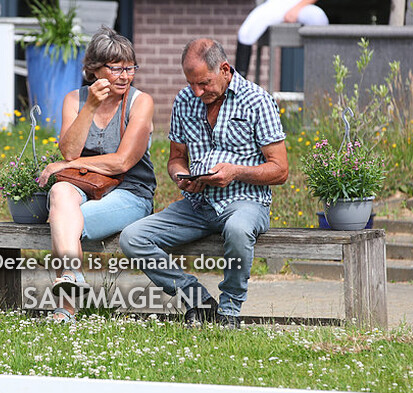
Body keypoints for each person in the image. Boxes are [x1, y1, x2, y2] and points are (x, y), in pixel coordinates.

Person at [119, 38, 288, 329]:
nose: (198, 92)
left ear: (224, 69)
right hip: (197, 205)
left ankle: (229, 312)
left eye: (204, 83)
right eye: (192, 84)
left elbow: (281, 169)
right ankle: (197, 298)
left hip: (245, 201)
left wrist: (235, 172)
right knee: (132, 238)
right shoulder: (185, 100)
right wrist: (181, 177)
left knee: (237, 229)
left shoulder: (257, 100)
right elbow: (176, 158)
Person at [36, 27, 156, 323]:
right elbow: (69, 152)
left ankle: (65, 307)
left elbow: (123, 162)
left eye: (130, 68)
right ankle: (72, 275)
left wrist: (64, 167)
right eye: (116, 68)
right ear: (94, 70)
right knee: (59, 193)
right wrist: (89, 107)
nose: (125, 76)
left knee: (63, 222)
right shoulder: (75, 100)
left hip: (131, 192)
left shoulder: (141, 102)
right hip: (85, 186)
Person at [234, 0, 328, 79]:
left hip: (301, 0)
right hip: (276, 1)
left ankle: (322, 77)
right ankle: (238, 86)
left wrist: (296, 10)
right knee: (245, 33)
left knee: (319, 19)